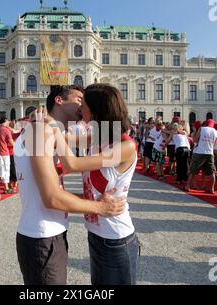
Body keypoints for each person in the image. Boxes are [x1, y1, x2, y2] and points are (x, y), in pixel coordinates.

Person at [14, 85, 126, 285]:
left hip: (46, 232)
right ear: (59, 100)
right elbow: (52, 197)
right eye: (79, 99)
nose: (83, 104)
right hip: (42, 234)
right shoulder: (41, 131)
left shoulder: (47, 130)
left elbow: (110, 134)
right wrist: (100, 207)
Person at [80, 84, 140, 285]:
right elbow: (66, 139)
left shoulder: (125, 146)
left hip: (116, 238)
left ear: (96, 110)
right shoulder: (99, 137)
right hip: (97, 234)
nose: (80, 109)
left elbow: (71, 164)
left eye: (83, 104)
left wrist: (50, 132)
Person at [185, 119, 217, 194]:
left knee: (193, 170)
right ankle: (212, 188)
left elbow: (195, 140)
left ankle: (187, 186)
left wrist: (194, 134)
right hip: (209, 152)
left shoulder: (202, 129)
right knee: (212, 172)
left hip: (199, 152)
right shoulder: (216, 132)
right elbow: (215, 144)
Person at [0, 118, 15, 194]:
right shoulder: (6, 130)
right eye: (8, 121)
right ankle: (6, 188)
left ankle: (1, 186)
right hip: (5, 152)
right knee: (6, 170)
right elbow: (11, 143)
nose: (8, 123)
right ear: (5, 122)